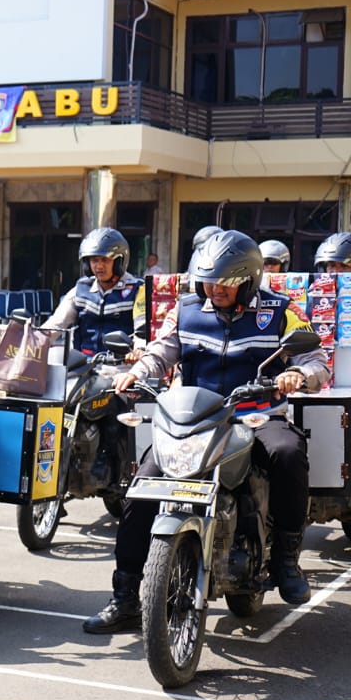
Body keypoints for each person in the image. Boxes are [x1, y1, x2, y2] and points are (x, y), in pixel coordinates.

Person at [88, 231, 329, 634]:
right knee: (143, 485)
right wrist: (137, 372)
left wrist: (298, 374)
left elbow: (317, 361)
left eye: (224, 283)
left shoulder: (281, 310)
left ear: (248, 280)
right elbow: (161, 351)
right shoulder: (185, 309)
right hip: (195, 419)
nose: (214, 290)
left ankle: (286, 560)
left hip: (256, 415)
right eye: (208, 281)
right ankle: (126, 595)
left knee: (288, 453)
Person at [43, 227, 145, 356]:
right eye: (94, 260)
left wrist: (139, 350)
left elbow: (142, 329)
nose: (99, 266)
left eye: (105, 260)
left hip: (122, 364)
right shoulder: (81, 289)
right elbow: (57, 323)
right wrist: (33, 341)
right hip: (84, 363)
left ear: (119, 261)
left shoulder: (137, 290)